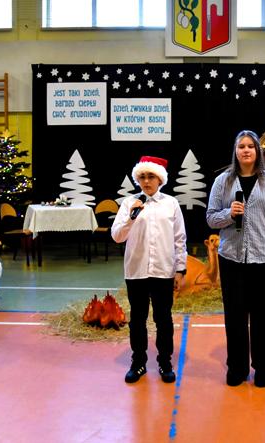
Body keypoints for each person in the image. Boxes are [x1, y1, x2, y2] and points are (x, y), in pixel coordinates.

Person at [206, 129, 265, 388]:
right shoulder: (223, 181)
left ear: (257, 151)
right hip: (232, 259)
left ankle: (262, 367)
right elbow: (210, 218)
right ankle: (238, 368)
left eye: (250, 146)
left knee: (264, 316)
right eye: (241, 146)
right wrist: (228, 214)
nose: (245, 150)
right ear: (235, 151)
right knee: (235, 316)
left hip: (264, 258)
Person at [111, 155, 187, 384]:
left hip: (163, 271)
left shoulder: (171, 204)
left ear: (160, 179)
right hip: (136, 271)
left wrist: (180, 269)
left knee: (163, 319)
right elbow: (117, 236)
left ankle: (165, 362)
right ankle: (138, 362)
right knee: (137, 319)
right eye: (142, 176)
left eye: (151, 176)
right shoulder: (129, 203)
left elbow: (179, 238)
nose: (146, 181)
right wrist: (131, 218)